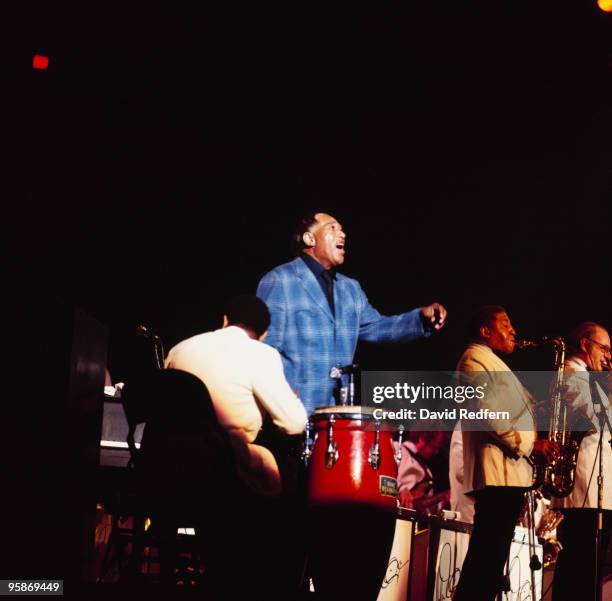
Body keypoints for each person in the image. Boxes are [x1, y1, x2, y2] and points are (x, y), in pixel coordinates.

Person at [256, 211, 447, 414]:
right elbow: (265, 347)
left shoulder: (350, 288)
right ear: (309, 238)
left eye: (342, 229)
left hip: (338, 415)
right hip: (294, 411)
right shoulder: (280, 280)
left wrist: (420, 320)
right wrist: (279, 396)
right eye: (332, 227)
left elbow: (377, 327)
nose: (343, 234)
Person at [452, 305, 557, 601]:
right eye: (505, 324)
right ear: (485, 331)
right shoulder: (473, 360)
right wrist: (531, 445)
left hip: (508, 474)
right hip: (497, 473)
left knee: (490, 562)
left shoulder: (492, 363)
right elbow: (490, 415)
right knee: (484, 562)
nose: (514, 330)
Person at [164, 293, 308, 496]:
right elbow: (294, 424)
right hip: (220, 471)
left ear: (225, 320)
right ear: (264, 334)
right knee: (290, 468)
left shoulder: (179, 349)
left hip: (164, 463)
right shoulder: (260, 354)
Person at [551, 322, 612, 601]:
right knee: (580, 571)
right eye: (604, 348)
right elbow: (596, 419)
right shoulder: (572, 374)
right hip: (583, 490)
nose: (608, 356)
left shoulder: (586, 378)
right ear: (586, 344)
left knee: (589, 572)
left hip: (594, 490)